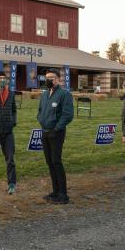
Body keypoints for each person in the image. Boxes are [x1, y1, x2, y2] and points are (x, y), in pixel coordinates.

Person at [37, 69, 74, 204]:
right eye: (47, 78)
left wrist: (57, 128)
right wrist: (41, 121)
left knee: (56, 161)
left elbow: (68, 115)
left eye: (51, 77)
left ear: (58, 79)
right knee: (49, 162)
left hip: (56, 133)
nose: (49, 80)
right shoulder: (45, 94)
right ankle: (55, 191)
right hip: (45, 131)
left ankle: (63, 194)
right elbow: (40, 111)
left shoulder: (64, 94)